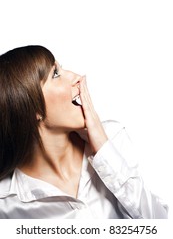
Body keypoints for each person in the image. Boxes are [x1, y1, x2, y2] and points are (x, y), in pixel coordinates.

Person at [0, 45, 168, 219]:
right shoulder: (6, 204)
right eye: (56, 74)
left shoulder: (113, 138)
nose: (77, 78)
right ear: (32, 108)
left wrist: (104, 150)